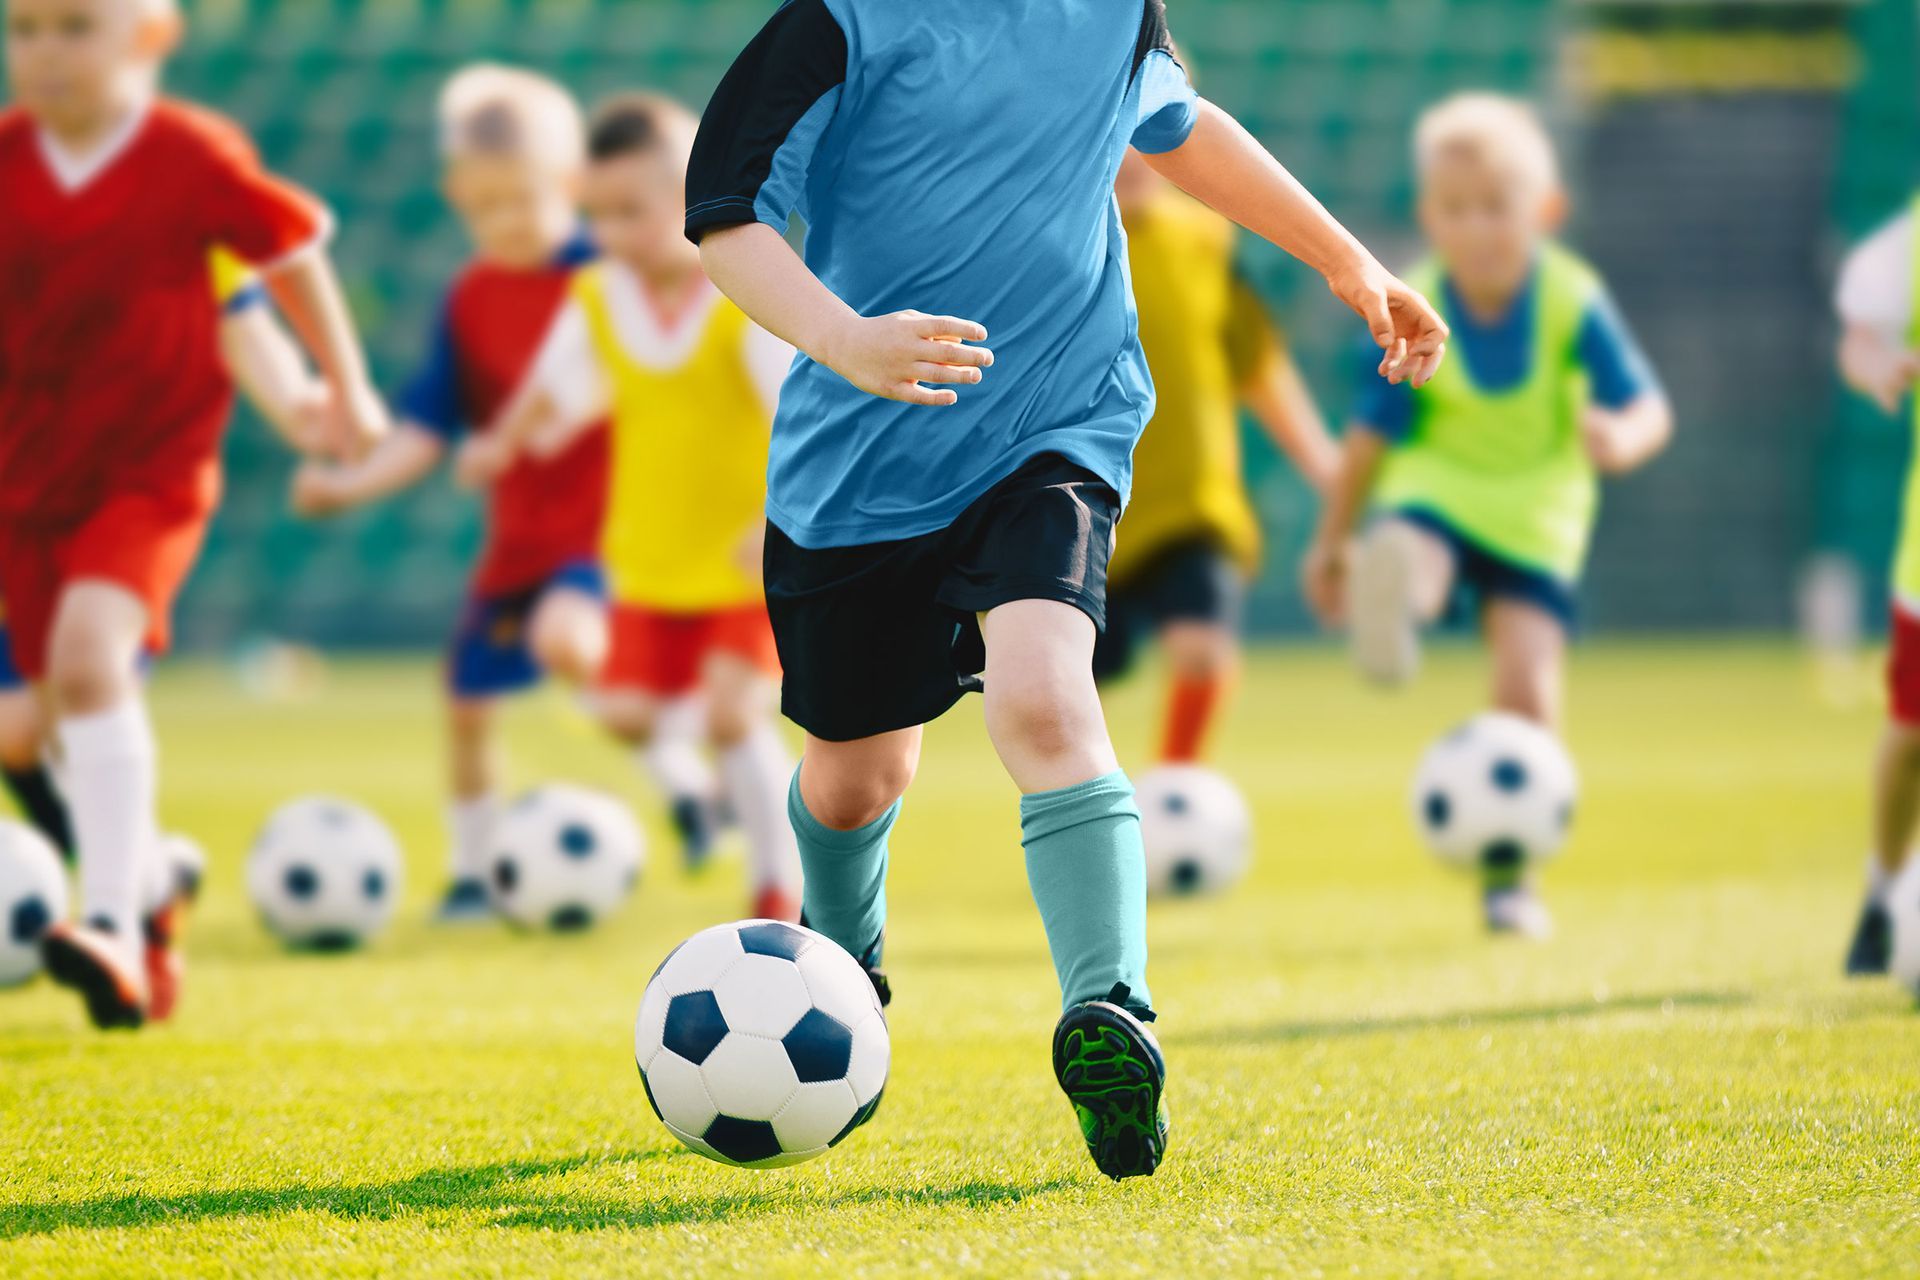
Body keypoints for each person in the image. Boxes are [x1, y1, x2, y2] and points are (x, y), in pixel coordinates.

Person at [685, 0, 1448, 1179]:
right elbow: (724, 220)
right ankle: (841, 965)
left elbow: (1182, 130)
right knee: (854, 777)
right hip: (860, 460)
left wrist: (1352, 263)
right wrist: (846, 341)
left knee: (1044, 698)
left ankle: (1114, 1011)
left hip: (1057, 423)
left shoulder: (1113, 11)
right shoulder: (834, 25)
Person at [0, 0, 387, 1029]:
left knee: (88, 664)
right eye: (24, 27)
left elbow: (278, 263)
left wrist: (340, 388)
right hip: (26, 488)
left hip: (150, 473)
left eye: (74, 26)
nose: (44, 52)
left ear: (151, 34)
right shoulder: (8, 160)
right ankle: (152, 886)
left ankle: (115, 924)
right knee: (48, 723)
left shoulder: (189, 157)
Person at [1301, 93, 1672, 939]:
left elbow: (1650, 408)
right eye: (1455, 211)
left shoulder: (1574, 303)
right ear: (1430, 218)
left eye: (1495, 209)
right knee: (1414, 551)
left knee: (1528, 688)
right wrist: (1334, 543)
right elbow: (1366, 439)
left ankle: (1511, 875)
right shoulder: (1411, 303)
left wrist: (1621, 436)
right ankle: (1397, 600)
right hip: (1439, 492)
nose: (1476, 230)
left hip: (1540, 516)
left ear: (1545, 212)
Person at [290, 64, 645, 923]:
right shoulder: (472, 297)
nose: (504, 223)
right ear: (457, 197)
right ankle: (471, 872)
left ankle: (690, 784)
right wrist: (350, 485)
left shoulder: (615, 278)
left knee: (574, 646)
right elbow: (424, 428)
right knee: (468, 701)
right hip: (519, 540)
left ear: (570, 185)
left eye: (521, 200)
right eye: (483, 207)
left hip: (617, 533)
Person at [471, 94, 803, 925]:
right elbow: (555, 394)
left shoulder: (745, 294)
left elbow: (797, 418)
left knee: (733, 713)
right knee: (622, 714)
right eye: (600, 215)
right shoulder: (597, 298)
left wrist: (773, 519)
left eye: (634, 211)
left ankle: (779, 884)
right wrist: (504, 440)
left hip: (741, 556)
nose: (615, 232)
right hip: (649, 557)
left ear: (691, 198)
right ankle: (705, 797)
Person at [0, 247, 329, 869]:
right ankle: (129, 875)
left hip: (120, 488)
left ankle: (124, 893)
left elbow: (246, 311)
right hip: (24, 494)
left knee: (78, 681)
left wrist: (296, 399)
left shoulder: (179, 180)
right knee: (19, 733)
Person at [1096, 149, 1339, 763]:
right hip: (1088, 506)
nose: (1131, 154)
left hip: (1191, 505)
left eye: (1149, 131)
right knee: (1067, 678)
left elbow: (1257, 364)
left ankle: (1177, 785)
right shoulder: (1057, 242)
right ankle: (1084, 798)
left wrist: (1325, 465)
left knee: (1202, 647)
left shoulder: (1207, 241)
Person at [1834, 198, 1920, 974]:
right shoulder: (1907, 248)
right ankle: (1885, 888)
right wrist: (1881, 368)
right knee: (1914, 734)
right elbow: (1860, 345)